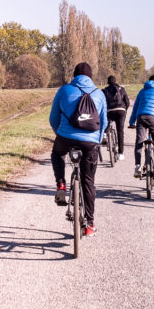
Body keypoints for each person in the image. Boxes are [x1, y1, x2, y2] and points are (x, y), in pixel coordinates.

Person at [49, 62, 107, 237]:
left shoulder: (64, 90)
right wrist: (96, 140)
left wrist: (60, 133)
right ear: (91, 77)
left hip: (65, 137)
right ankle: (89, 224)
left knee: (57, 153)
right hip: (90, 142)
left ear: (73, 76)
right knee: (88, 181)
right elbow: (103, 122)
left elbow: (53, 118)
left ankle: (61, 184)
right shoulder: (99, 93)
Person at [102, 75, 130, 160]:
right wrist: (124, 110)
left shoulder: (104, 90)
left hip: (109, 111)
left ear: (108, 82)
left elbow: (102, 103)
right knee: (120, 131)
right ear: (116, 81)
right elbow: (127, 102)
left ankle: (104, 134)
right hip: (120, 111)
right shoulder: (121, 89)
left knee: (106, 122)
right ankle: (121, 153)